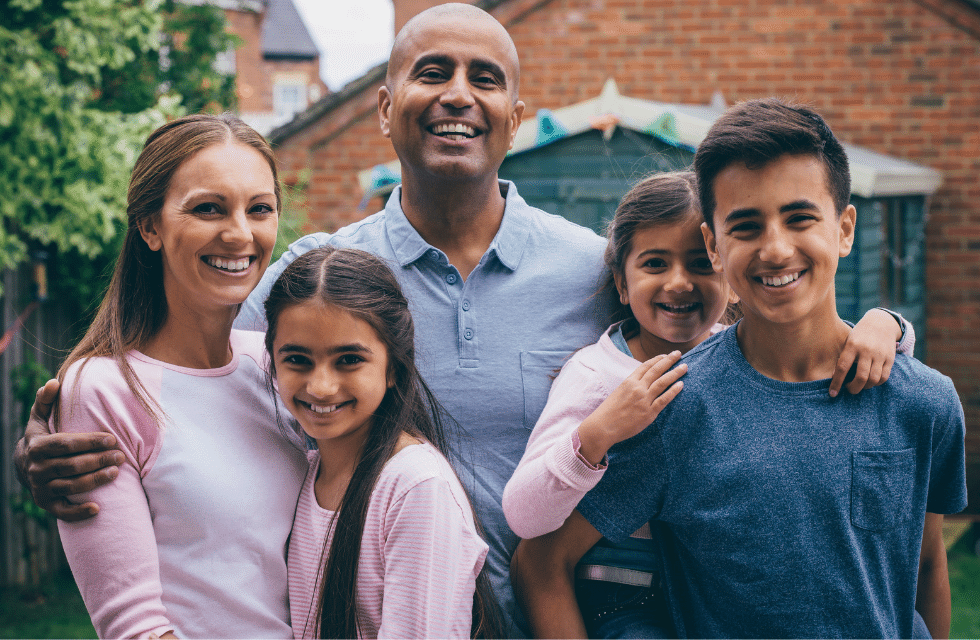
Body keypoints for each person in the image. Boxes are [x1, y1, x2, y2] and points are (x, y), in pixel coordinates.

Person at [14, 7, 918, 635]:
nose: (457, 93)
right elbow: (201, 376)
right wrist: (64, 411)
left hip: (566, 621)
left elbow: (725, 327)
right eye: (430, 72)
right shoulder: (318, 278)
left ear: (515, 117)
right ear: (383, 106)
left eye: (485, 77)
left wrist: (883, 329)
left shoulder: (589, 267)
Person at [516, 100, 966, 639]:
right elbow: (539, 562)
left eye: (799, 218)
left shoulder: (926, 403)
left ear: (845, 229)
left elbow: (926, 568)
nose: (776, 250)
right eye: (746, 226)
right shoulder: (675, 409)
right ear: (715, 244)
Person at [48, 113, 310, 639]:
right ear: (150, 226)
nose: (240, 234)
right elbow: (133, 626)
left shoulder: (281, 366)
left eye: (259, 209)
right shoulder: (105, 390)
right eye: (208, 209)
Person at [264, 246, 501, 639]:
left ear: (393, 365)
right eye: (298, 360)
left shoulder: (415, 487)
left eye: (349, 360)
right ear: (272, 361)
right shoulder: (304, 470)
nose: (321, 386)